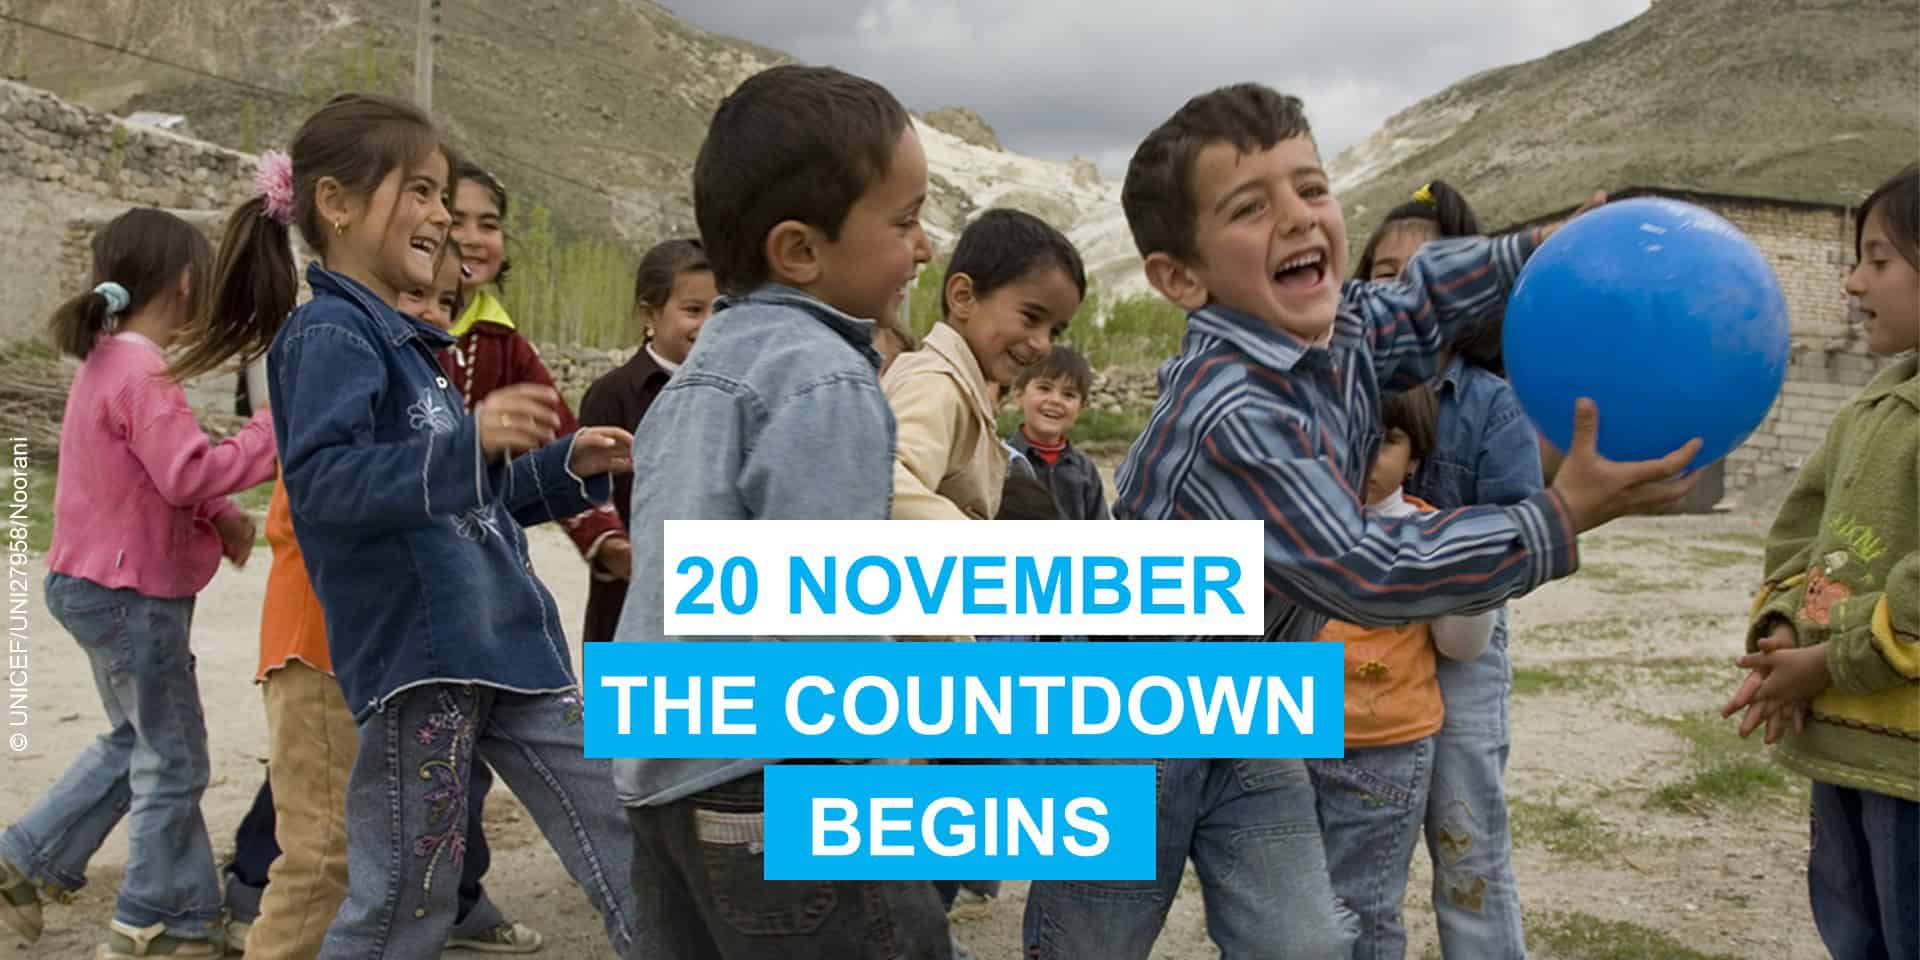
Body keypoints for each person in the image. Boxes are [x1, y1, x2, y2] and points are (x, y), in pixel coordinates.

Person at [1024, 81, 1701, 960]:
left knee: (1305, 941)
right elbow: (1365, 569)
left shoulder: (1333, 333)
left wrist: (1531, 254)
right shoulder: (1229, 414)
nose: (1300, 218)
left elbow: (1416, 302)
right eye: (1251, 207)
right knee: (1089, 944)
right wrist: (1554, 517)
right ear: (1180, 278)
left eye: (1311, 188)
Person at [170, 91, 640, 959]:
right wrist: (469, 446)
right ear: (336, 205)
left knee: (622, 825)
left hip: (510, 651)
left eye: (444, 196)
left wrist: (559, 471)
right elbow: (324, 486)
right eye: (420, 192)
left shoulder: (410, 346)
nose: (441, 218)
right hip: (425, 666)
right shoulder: (331, 336)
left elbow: (468, 501)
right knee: (404, 903)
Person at [612, 64, 950, 959]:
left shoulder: (693, 378)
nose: (923, 248)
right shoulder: (825, 377)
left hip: (665, 776)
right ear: (799, 250)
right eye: (907, 222)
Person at [214, 231, 544, 957]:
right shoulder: (343, 391)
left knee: (373, 864)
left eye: (444, 303)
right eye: (411, 295)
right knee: (324, 864)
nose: (427, 315)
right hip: (323, 651)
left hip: (378, 657)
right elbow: (345, 502)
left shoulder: (412, 401)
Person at [0, 208, 276, 958]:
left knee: (141, 742)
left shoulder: (110, 360)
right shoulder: (142, 370)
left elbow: (153, 472)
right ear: (188, 283)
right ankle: (161, 920)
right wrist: (270, 433)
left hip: (94, 586)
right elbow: (183, 469)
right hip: (133, 597)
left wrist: (221, 514)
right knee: (175, 758)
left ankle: (26, 858)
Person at [1722, 163, 1918, 960]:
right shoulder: (1866, 411)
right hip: (1841, 740)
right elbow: (1797, 537)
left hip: (1907, 761)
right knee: (1853, 931)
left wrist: (1829, 657)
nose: (1851, 281)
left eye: (1878, 259)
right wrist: (1779, 631)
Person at [1357, 179, 1543, 957]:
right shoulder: (1340, 389)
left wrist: (1455, 578)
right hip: (1357, 645)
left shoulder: (1494, 404)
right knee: (1356, 852)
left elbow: (1519, 534)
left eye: (1430, 272)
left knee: (1467, 842)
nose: (1403, 289)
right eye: (1384, 271)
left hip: (1460, 649)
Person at [1309, 384, 1497, 960]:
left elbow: (1462, 646)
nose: (1363, 455)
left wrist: (1473, 577)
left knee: (1361, 911)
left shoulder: (1434, 537)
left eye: (1385, 441)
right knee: (1284, 910)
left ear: (1416, 456)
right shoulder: (1295, 526)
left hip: (1384, 754)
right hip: (1286, 748)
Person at [443, 163, 627, 575]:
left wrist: (607, 538)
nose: (473, 239)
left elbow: (555, 435)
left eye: (488, 225)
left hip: (473, 556)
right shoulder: (387, 328)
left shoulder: (504, 343)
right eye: (456, 222)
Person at [886, 207, 1085, 522]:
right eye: (1031, 317)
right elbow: (887, 482)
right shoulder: (937, 385)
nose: (1043, 343)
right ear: (964, 297)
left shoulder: (962, 388)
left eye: (1054, 331)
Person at [576, 238, 714, 644]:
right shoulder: (612, 395)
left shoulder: (737, 396)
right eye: (693, 310)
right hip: (630, 606)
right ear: (649, 313)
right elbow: (591, 501)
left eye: (720, 310)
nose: (708, 324)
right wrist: (620, 553)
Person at [1006, 344, 1110, 520]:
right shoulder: (1004, 462)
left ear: (1081, 408)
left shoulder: (1084, 469)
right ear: (1018, 395)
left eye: (1068, 395)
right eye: (1044, 388)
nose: (1055, 400)